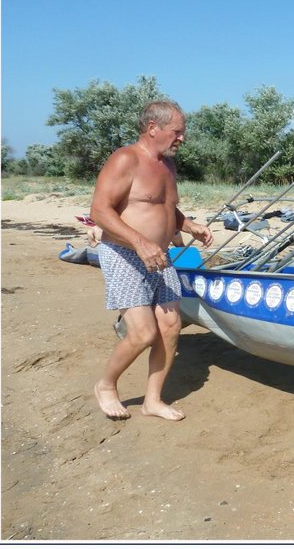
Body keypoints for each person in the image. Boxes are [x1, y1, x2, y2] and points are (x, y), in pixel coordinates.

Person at [90, 100, 212, 421]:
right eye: (177, 132)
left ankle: (152, 400)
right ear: (153, 128)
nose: (181, 138)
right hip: (125, 253)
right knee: (143, 334)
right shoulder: (125, 160)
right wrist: (140, 242)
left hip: (160, 257)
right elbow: (99, 211)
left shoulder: (168, 164)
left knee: (171, 326)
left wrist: (190, 225)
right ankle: (106, 385)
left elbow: (164, 208)